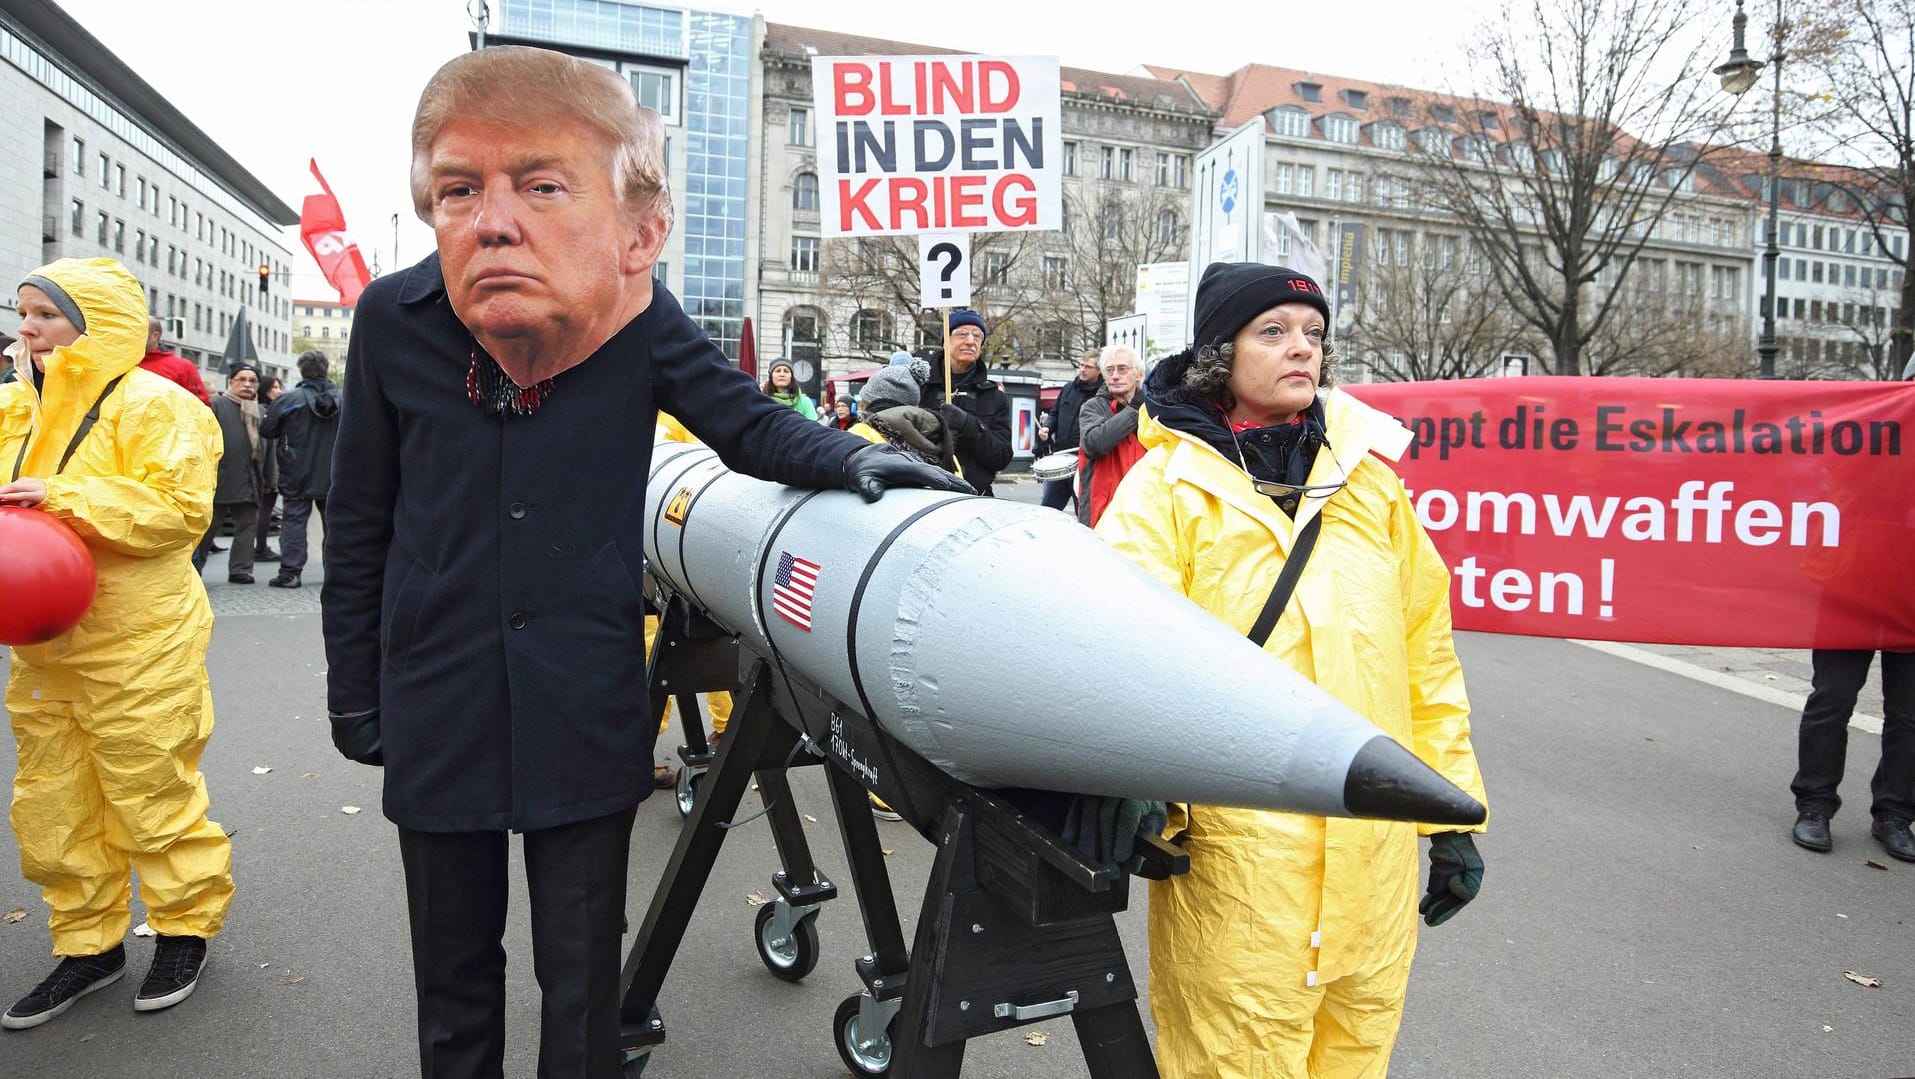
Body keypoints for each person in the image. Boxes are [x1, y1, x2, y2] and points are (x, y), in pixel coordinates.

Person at [320, 46, 967, 1079]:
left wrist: (861, 458)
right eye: (461, 188)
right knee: (452, 983)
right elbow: (358, 518)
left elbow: (744, 422)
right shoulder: (392, 322)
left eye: (538, 185)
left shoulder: (632, 312)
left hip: (581, 697)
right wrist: (354, 690)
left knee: (582, 984)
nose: (496, 218)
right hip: (435, 696)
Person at [1095, 262, 1489, 1078]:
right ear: (1218, 354)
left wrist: (1451, 812)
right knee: (1232, 1058)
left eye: (1313, 334)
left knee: (1353, 1054)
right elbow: (1118, 659)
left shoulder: (1371, 486)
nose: (1300, 350)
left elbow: (1424, 660)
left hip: (1371, 857)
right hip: (1240, 860)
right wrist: (1129, 790)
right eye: (1272, 332)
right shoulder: (1164, 490)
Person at [0, 258, 233, 1029]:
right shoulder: (15, 412)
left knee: (150, 785)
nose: (26, 328)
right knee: (54, 798)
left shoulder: (158, 405)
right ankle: (88, 943)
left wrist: (62, 494)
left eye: (44, 315)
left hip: (139, 635)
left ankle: (183, 927)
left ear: (91, 324)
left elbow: (177, 512)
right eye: (24, 312)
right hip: (42, 641)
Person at [1789, 650, 1913, 861]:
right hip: (1853, 617)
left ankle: (1894, 814)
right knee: (1832, 698)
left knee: (1909, 714)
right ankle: (1815, 805)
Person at [259, 350, 340, 589]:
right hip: (335, 472)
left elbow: (267, 429)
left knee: (294, 521)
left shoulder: (288, 400)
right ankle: (336, 572)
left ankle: (290, 572)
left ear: (302, 371)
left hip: (296, 471)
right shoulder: (344, 398)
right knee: (334, 525)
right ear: (325, 369)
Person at [919, 309, 1012, 494]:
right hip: (924, 497)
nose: (971, 341)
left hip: (974, 498)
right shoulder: (920, 387)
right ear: (946, 340)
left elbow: (1001, 457)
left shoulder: (995, 396)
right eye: (962, 334)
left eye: (977, 336)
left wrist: (969, 425)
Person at [201, 365, 264, 583]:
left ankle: (241, 570)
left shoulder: (259, 410)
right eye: (242, 379)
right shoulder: (216, 405)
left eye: (253, 380)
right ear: (231, 382)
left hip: (249, 478)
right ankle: (193, 568)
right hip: (218, 478)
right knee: (207, 527)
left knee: (247, 527)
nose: (247, 384)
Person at [1075, 344, 1147, 528]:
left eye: (1122, 369)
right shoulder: (1092, 407)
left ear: (1138, 374)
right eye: (1109, 370)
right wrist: (1133, 411)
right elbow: (1095, 443)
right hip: (1103, 515)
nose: (1115, 376)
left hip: (1143, 512)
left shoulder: (1153, 409)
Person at [1040, 349, 1103, 512]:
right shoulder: (1068, 388)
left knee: (1083, 512)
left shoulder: (1102, 395)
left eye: (1088, 367)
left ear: (1099, 370)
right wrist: (1047, 427)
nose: (1082, 369)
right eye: (1081, 365)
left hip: (1084, 462)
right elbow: (1055, 413)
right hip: (1061, 458)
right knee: (1048, 510)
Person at [138, 317, 210, 405]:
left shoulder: (183, 367)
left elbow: (201, 407)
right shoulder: (123, 365)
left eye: (137, 332)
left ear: (154, 336)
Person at [254, 375, 282, 563]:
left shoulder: (265, 410)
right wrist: (270, 477)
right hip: (268, 467)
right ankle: (261, 547)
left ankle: (260, 546)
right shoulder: (266, 412)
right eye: (274, 388)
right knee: (265, 508)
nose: (278, 391)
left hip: (267, 467)